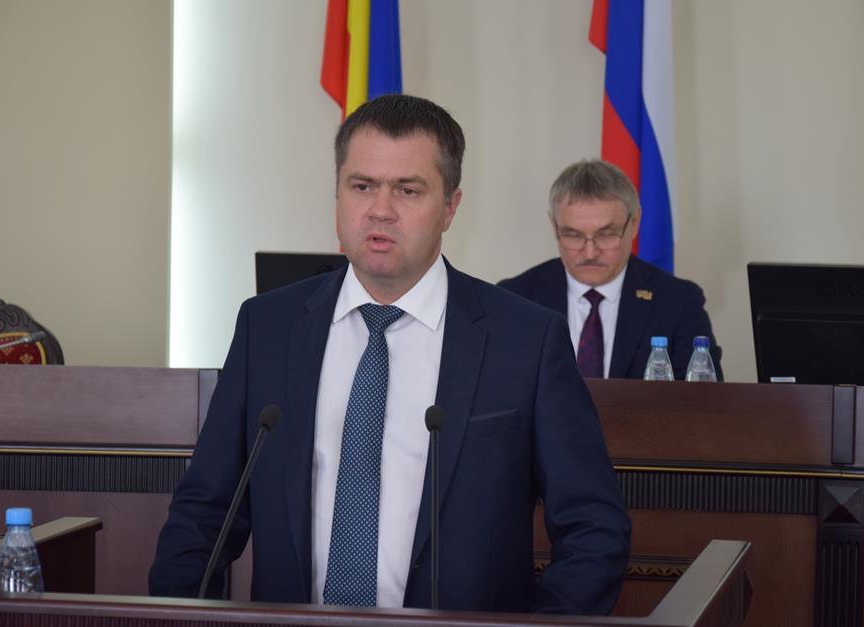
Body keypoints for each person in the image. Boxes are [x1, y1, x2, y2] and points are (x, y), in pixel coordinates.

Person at [149, 95, 630, 614]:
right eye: (362, 186)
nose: (380, 209)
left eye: (408, 189)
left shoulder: (526, 339)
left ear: (450, 207)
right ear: (337, 194)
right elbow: (204, 513)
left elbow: (593, 528)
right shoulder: (267, 327)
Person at [499, 160, 722, 381]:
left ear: (634, 223)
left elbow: (704, 399)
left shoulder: (678, 302)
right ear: (554, 226)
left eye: (606, 235)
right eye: (573, 235)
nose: (590, 253)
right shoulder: (515, 298)